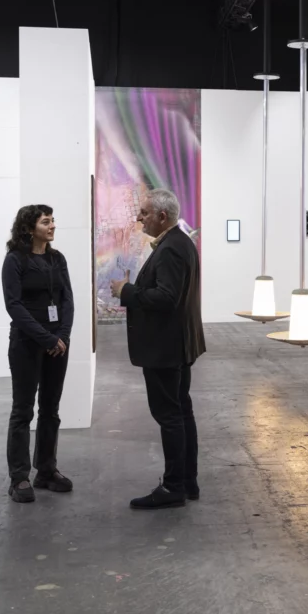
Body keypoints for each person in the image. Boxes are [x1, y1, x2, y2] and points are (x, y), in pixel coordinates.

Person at [111, 188, 205, 509]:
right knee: (180, 412)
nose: (138, 217)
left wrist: (127, 291)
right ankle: (187, 481)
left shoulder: (171, 249)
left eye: (144, 212)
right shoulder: (179, 243)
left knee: (170, 416)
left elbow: (166, 299)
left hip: (166, 349)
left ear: (161, 216)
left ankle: (174, 486)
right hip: (177, 346)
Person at [1, 204, 75, 503]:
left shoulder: (58, 259)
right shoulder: (15, 260)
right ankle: (19, 477)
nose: (53, 225)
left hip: (56, 346)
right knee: (23, 411)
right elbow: (14, 306)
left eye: (53, 220)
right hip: (27, 344)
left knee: (50, 409)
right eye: (47, 222)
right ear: (30, 228)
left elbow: (67, 300)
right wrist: (46, 338)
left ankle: (46, 470)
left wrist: (62, 337)